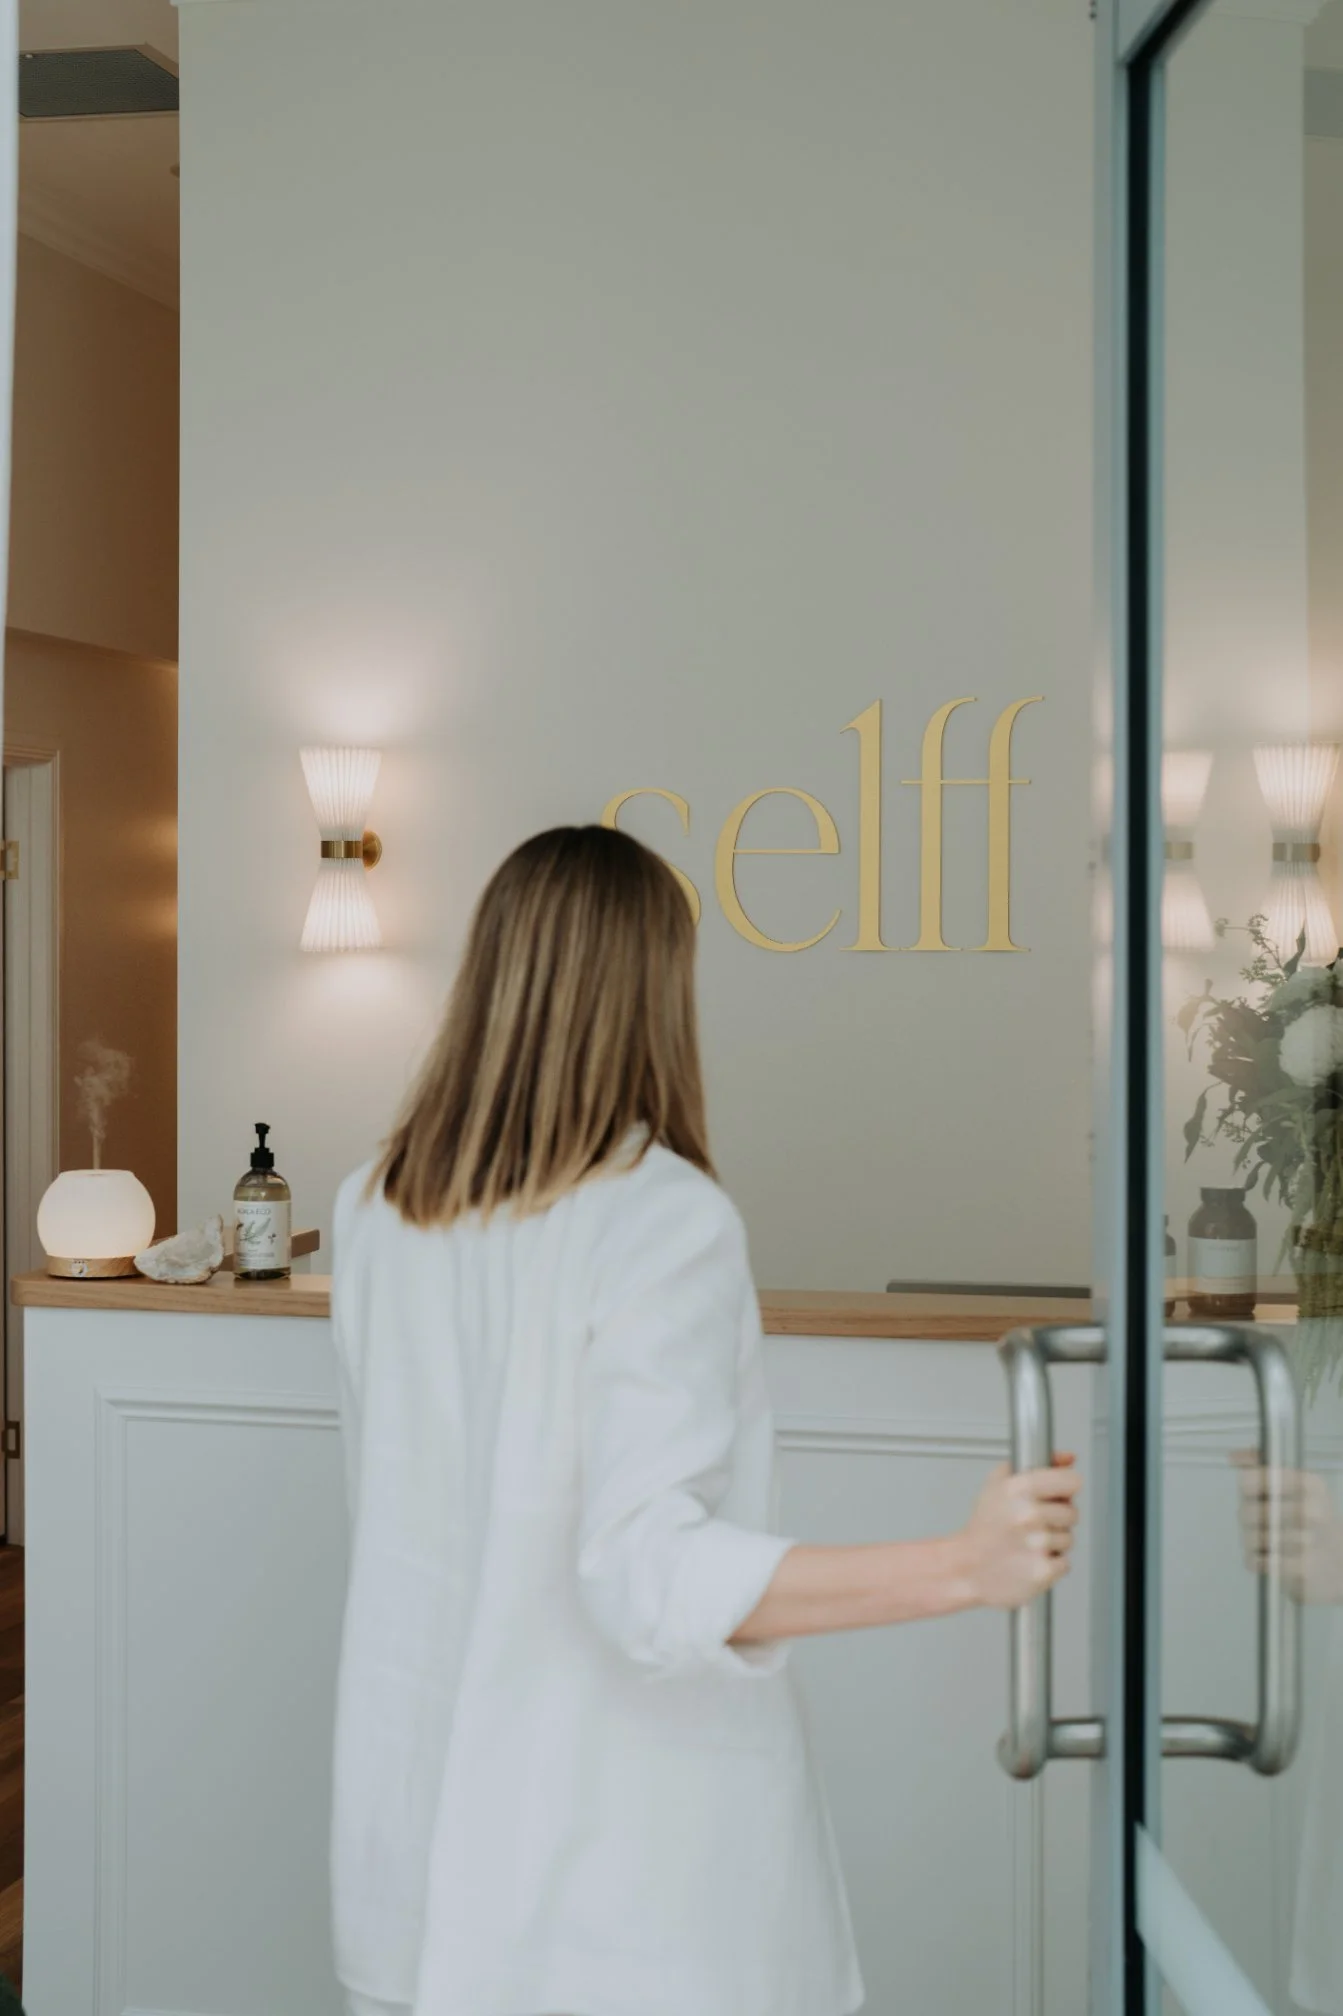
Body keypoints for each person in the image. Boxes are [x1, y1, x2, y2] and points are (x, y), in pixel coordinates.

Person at [329, 823, 1081, 2016]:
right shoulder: (660, 1218)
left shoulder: (372, 1210)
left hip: (420, 1860)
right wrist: (960, 1564)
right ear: (654, 991)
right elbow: (644, 1573)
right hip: (623, 1890)